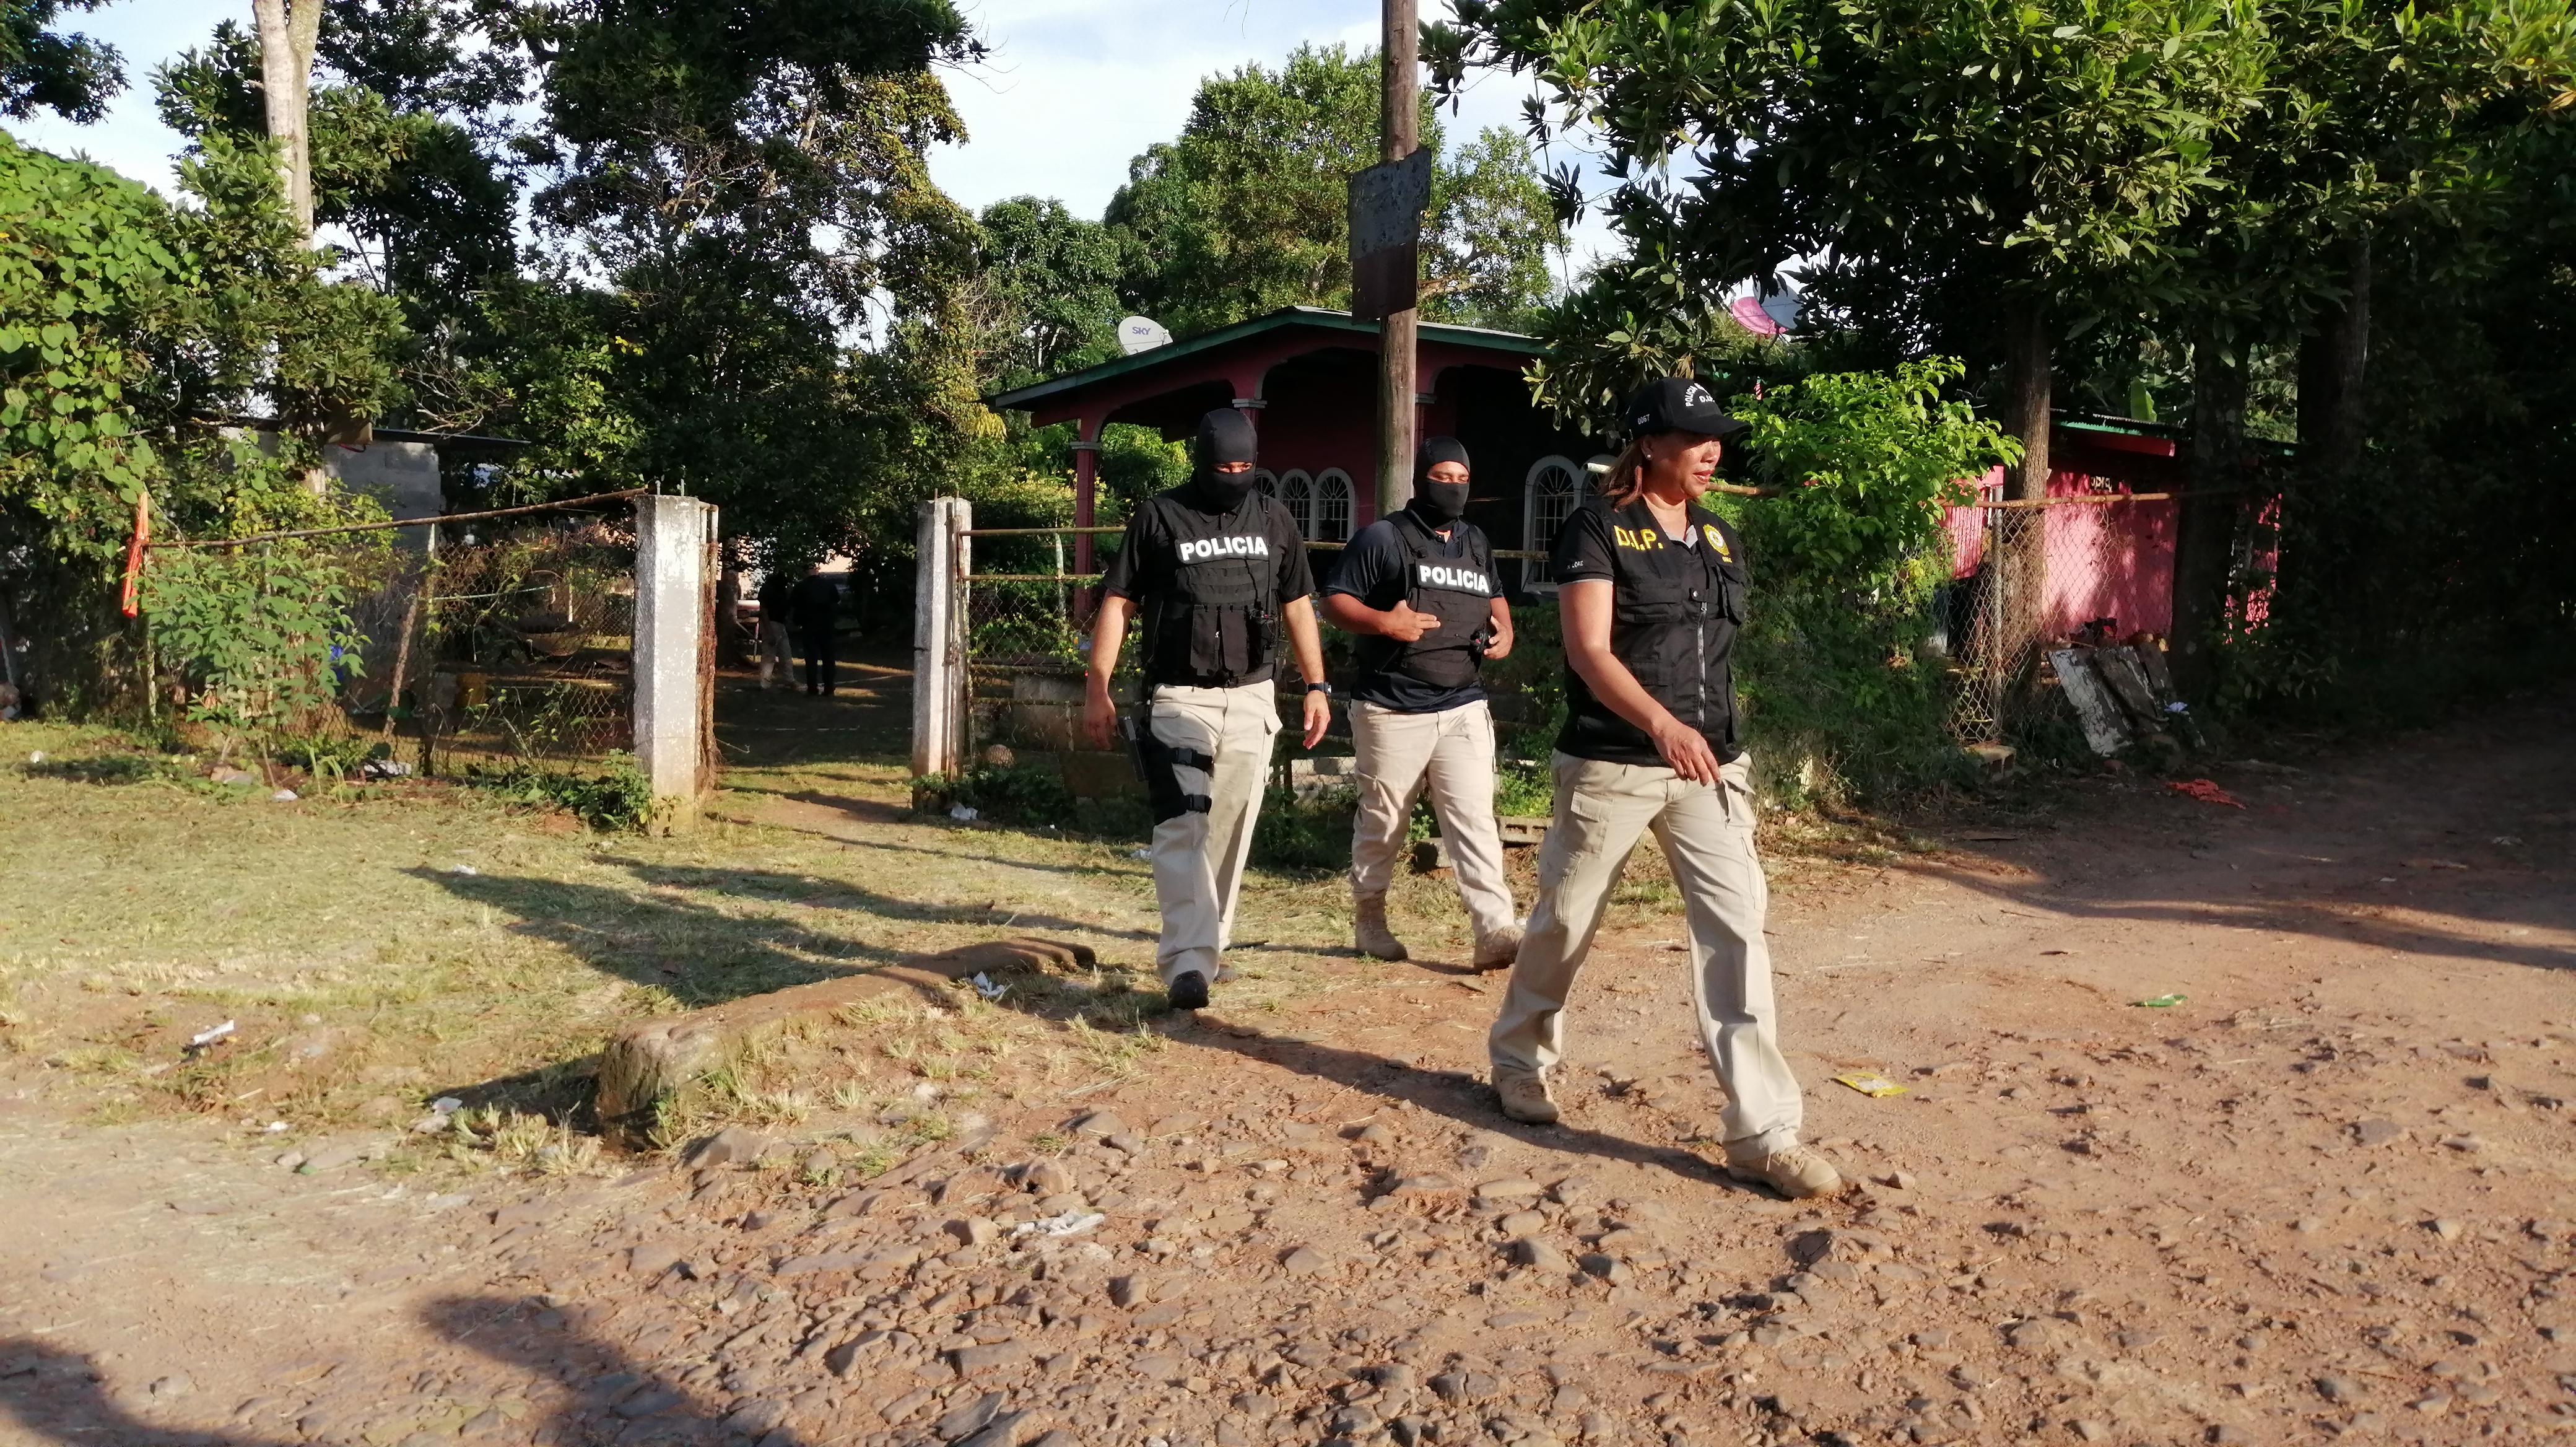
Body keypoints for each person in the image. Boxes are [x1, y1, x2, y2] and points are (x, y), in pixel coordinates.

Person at [1486, 377, 1844, 1200]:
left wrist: (1704, 738)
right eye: (1692, 438)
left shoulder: (1719, 536)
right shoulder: (1596, 527)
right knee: (1565, 919)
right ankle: (1519, 1060)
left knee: (1737, 931)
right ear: (1649, 444)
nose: (1710, 451)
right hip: (1614, 761)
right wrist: (1661, 724)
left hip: (1710, 766)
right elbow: (1589, 651)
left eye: (1715, 438)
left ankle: (1763, 1132)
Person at [1082, 408, 1333, 1011]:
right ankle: (1186, 962)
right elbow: (1119, 603)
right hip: (1178, 696)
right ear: (1201, 462)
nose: (1234, 476)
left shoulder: (1273, 518)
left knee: (1230, 827)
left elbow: (1298, 604)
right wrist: (1097, 686)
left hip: (1252, 695)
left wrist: (1317, 685)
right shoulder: (1159, 516)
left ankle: (1209, 946)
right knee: (1183, 823)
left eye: (1245, 467)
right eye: (1224, 467)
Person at [1321, 437, 1523, 968]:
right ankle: (1370, 919)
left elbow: (1495, 596)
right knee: (1385, 822)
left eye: (1462, 479)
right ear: (1422, 479)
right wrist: (1385, 622)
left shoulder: (1475, 541)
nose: (1453, 488)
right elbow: (1335, 601)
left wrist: (1505, 631)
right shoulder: (1382, 538)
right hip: (1392, 706)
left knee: (1474, 818)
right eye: (1443, 478)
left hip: (1463, 702)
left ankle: (1494, 930)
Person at [788, 564, 842, 696]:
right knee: (828, 657)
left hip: (809, 625)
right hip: (827, 625)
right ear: (817, 571)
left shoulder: (801, 586)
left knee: (811, 658)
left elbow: (793, 604)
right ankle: (829, 687)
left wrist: (797, 620)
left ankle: (812, 687)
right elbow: (837, 601)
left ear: (805, 572)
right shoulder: (828, 585)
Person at [755, 567, 796, 691]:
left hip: (778, 624)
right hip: (772, 623)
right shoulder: (772, 592)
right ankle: (765, 683)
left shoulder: (771, 590)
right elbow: (764, 612)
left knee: (784, 653)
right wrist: (769, 632)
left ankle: (789, 680)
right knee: (770, 655)